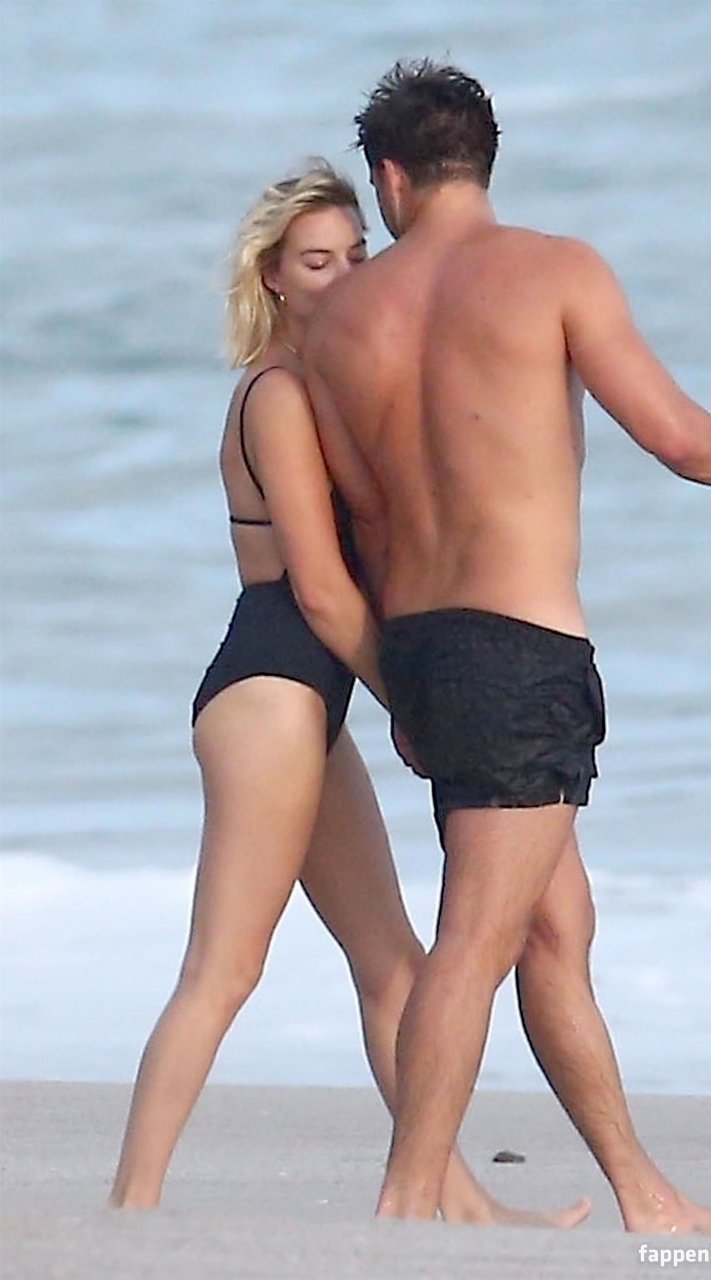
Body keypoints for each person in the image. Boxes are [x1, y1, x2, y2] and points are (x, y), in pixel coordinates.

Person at [303, 61, 711, 1231]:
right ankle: (407, 1197)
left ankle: (646, 1195)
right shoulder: (554, 270)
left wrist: (406, 687)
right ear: (480, 159)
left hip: (424, 646)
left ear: (391, 176)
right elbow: (675, 437)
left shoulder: (342, 322)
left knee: (551, 930)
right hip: (521, 652)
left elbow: (365, 521)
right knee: (475, 938)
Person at [108, 162, 588, 1229]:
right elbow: (321, 590)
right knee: (224, 969)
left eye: (359, 256)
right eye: (317, 262)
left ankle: (464, 1207)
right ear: (274, 278)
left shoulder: (330, 382)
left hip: (307, 701)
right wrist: (411, 703)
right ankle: (129, 1209)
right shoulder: (279, 394)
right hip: (272, 688)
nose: (343, 277)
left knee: (392, 965)